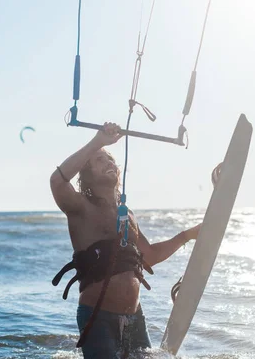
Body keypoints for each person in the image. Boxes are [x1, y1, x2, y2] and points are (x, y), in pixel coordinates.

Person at [50, 122, 203, 358]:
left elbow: (149, 255)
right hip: (97, 317)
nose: (109, 162)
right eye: (99, 160)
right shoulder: (81, 207)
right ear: (88, 174)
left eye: (110, 159)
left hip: (134, 318)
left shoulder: (127, 213)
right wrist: (98, 142)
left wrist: (187, 236)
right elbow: (57, 182)